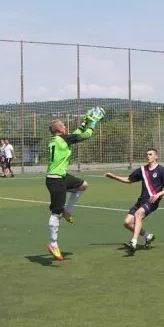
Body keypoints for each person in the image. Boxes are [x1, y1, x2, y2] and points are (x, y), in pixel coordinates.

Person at [45, 109, 102, 261]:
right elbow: (85, 135)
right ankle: (53, 243)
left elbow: (76, 133)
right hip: (55, 180)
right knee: (56, 213)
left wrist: (84, 122)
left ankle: (67, 210)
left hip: (61, 177)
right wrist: (93, 123)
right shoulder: (64, 139)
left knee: (83, 185)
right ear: (59, 129)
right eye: (63, 125)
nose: (65, 126)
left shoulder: (58, 139)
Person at [105, 148, 164, 252]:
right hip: (141, 201)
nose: (148, 156)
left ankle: (134, 242)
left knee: (138, 214)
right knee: (127, 223)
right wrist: (114, 177)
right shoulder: (142, 170)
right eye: (147, 154)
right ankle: (147, 236)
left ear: (156, 156)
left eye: (150, 154)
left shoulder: (161, 170)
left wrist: (158, 194)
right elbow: (129, 180)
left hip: (152, 201)